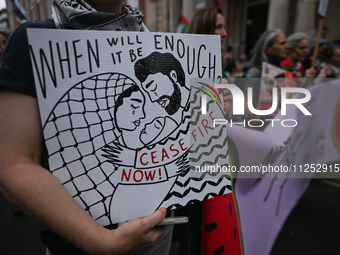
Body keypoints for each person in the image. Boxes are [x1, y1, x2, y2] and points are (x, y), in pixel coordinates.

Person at [0, 0, 172, 254]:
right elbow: (13, 162)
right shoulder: (35, 40)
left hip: (160, 230)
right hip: (79, 246)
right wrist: (103, 242)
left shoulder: (154, 44)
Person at [243, 29, 288, 106]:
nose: (286, 47)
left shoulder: (282, 71)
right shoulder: (255, 72)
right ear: (268, 49)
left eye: (285, 43)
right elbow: (247, 104)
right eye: (282, 44)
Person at [186, 7, 229, 78]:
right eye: (218, 27)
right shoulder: (188, 69)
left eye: (224, 28)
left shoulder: (217, 64)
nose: (225, 34)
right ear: (203, 31)